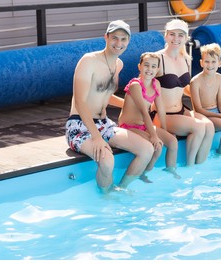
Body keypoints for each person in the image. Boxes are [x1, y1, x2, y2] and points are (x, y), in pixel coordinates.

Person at [65, 20, 154, 192]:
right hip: (80, 124)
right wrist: (96, 137)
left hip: (104, 123)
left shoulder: (118, 64)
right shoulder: (88, 61)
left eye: (123, 39)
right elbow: (80, 101)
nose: (118, 43)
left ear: (128, 41)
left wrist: (130, 106)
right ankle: (106, 197)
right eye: (114, 38)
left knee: (146, 149)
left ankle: (121, 188)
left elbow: (104, 94)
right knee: (107, 161)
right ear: (106, 37)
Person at [151, 19, 214, 166]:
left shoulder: (185, 59)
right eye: (172, 34)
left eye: (181, 35)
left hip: (181, 110)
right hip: (162, 115)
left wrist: (203, 95)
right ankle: (190, 167)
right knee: (198, 127)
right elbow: (142, 86)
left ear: (186, 38)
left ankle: (200, 165)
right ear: (165, 36)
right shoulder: (157, 58)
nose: (176, 39)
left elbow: (182, 87)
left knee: (209, 127)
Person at [118, 52, 181, 181]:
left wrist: (164, 130)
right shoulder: (135, 85)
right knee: (156, 147)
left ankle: (171, 171)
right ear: (139, 66)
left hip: (144, 125)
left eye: (153, 66)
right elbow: (143, 111)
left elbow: (161, 108)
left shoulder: (155, 83)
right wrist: (153, 135)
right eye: (146, 65)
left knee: (173, 142)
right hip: (129, 126)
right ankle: (142, 174)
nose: (149, 69)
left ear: (157, 70)